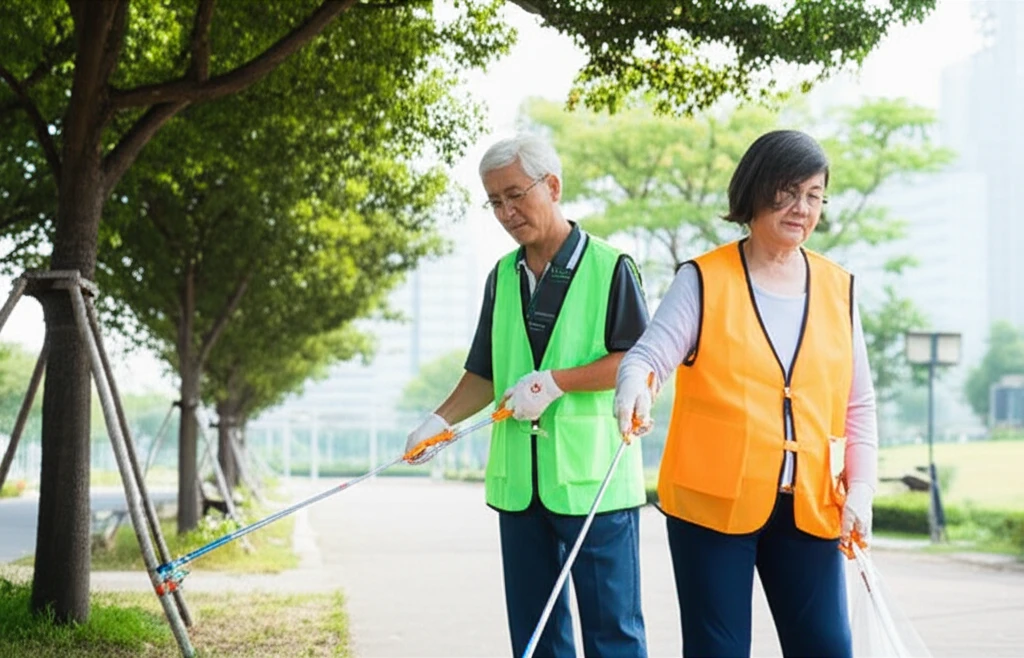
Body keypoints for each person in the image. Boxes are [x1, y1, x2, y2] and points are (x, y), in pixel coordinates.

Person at [614, 130, 877, 658]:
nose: (802, 208)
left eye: (814, 195)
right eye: (788, 191)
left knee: (827, 646)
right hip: (714, 504)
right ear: (756, 189)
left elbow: (858, 403)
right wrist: (632, 389)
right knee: (718, 650)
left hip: (808, 505)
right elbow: (647, 358)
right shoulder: (703, 280)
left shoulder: (838, 288)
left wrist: (863, 489)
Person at [405, 133, 650, 657]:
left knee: (614, 636)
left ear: (553, 185)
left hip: (593, 487)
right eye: (494, 201)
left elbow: (636, 362)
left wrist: (557, 382)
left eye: (516, 194)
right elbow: (485, 374)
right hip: (520, 488)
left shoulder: (612, 268)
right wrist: (437, 420)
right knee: (537, 638)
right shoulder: (501, 277)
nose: (506, 211)